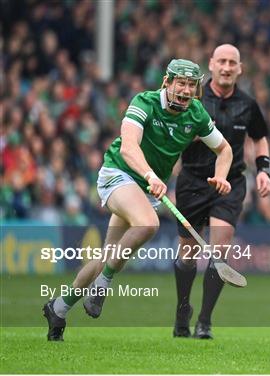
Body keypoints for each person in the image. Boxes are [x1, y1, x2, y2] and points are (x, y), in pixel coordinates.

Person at [42, 59, 233, 341]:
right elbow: (130, 146)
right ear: (166, 82)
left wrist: (222, 176)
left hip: (144, 188)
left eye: (191, 85)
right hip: (119, 173)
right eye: (180, 82)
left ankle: (58, 308)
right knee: (147, 224)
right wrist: (150, 175)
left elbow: (225, 149)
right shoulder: (144, 102)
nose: (186, 89)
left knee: (106, 256)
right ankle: (102, 285)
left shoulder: (196, 114)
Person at [172, 44, 270, 339]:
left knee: (219, 252)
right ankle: (182, 309)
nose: (227, 67)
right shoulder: (192, 97)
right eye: (222, 62)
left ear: (240, 69)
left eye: (233, 63)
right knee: (188, 254)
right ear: (212, 65)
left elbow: (260, 138)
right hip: (192, 180)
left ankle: (204, 320)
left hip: (230, 182)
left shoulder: (248, 104)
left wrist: (264, 170)